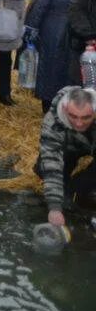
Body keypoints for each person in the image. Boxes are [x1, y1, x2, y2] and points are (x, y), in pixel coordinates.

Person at [27, 0, 96, 111]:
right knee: (72, 72)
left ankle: (47, 107)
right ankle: (70, 107)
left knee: (49, 68)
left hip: (52, 29)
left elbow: (41, 6)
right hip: (80, 35)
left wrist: (31, 28)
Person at [37, 87, 96, 229]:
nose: (79, 123)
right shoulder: (53, 120)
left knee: (80, 190)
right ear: (64, 109)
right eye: (73, 116)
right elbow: (51, 160)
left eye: (86, 117)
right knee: (43, 169)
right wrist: (55, 208)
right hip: (72, 146)